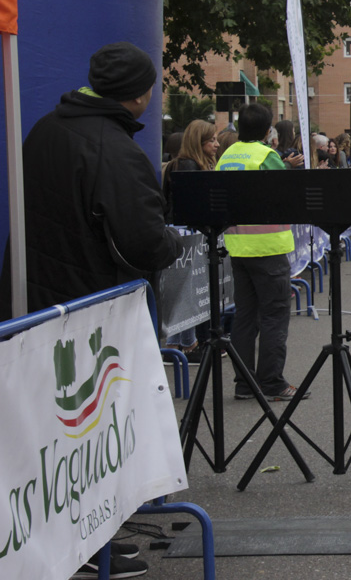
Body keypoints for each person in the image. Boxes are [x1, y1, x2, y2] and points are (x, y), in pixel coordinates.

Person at [0, 40, 185, 579]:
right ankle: (84, 549)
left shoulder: (43, 129)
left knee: (45, 443)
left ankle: (81, 542)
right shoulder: (113, 147)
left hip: (32, 305)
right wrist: (175, 244)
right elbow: (145, 239)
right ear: (142, 95)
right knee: (82, 440)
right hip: (83, 316)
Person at [216, 103, 306, 402]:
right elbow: (282, 196)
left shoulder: (227, 155)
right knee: (274, 317)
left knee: (245, 317)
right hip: (267, 248)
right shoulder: (266, 155)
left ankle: (244, 384)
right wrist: (289, 171)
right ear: (269, 131)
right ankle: (272, 383)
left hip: (238, 247)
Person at [163, 119, 220, 361]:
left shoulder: (191, 164)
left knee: (189, 290)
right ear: (199, 142)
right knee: (187, 291)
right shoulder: (188, 166)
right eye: (212, 141)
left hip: (191, 234)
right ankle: (187, 345)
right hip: (187, 236)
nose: (217, 145)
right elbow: (190, 207)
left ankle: (179, 344)